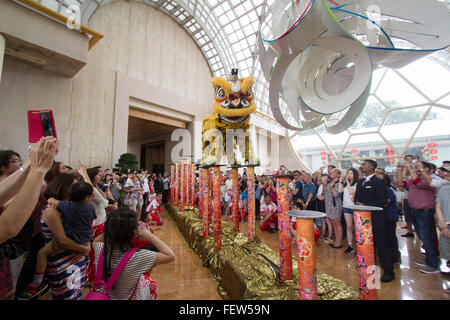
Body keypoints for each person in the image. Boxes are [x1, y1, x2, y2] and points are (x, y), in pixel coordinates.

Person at [19, 182, 95, 299]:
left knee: (42, 253)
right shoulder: (90, 207)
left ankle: (37, 282)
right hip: (82, 242)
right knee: (70, 293)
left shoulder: (67, 206)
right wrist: (85, 248)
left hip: (70, 244)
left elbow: (51, 201)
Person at [92, 208, 175, 300]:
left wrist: (115, 226)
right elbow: (170, 255)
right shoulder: (137, 257)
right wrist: (150, 237)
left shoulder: (100, 250)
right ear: (133, 234)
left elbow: (95, 241)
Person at [354, 160, 393, 282]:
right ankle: (370, 271)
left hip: (378, 219)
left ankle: (388, 272)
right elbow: (356, 198)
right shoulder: (360, 182)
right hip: (364, 220)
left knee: (382, 245)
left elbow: (382, 200)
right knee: (368, 246)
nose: (362, 166)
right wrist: (358, 203)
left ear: (371, 167)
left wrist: (365, 204)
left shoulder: (379, 182)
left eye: (364, 164)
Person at [399, 161, 439, 274]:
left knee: (427, 237)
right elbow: (402, 184)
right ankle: (429, 260)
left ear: (427, 169)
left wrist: (411, 169)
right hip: (415, 211)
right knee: (422, 237)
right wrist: (401, 171)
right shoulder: (414, 178)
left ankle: (433, 265)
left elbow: (417, 182)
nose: (416, 168)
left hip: (425, 212)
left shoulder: (430, 180)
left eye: (419, 167)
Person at [340, 168, 358, 255]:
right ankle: (350, 245)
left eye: (351, 173)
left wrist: (347, 181)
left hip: (354, 207)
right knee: (349, 227)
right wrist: (341, 181)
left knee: (357, 227)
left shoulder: (357, 183)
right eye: (348, 173)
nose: (349, 175)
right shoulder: (345, 184)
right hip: (346, 206)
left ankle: (358, 245)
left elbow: (351, 192)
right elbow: (340, 191)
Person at [325, 168, 343, 249]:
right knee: (333, 222)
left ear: (338, 175)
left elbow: (336, 195)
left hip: (336, 205)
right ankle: (336, 240)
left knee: (337, 223)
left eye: (333, 172)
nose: (331, 173)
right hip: (329, 205)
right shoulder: (330, 183)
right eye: (331, 172)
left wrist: (332, 187)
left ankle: (339, 242)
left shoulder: (339, 183)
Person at [435, 182, 450, 281]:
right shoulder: (444, 189)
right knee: (447, 254)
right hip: (446, 226)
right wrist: (443, 224)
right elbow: (438, 207)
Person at [317, 174, 333, 241]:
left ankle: (330, 236)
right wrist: (319, 197)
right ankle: (323, 234)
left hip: (327, 205)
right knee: (322, 220)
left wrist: (323, 198)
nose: (322, 179)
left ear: (328, 179)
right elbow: (318, 194)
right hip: (321, 204)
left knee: (328, 221)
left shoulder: (329, 186)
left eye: (324, 178)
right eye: (322, 178)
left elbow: (329, 195)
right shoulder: (321, 185)